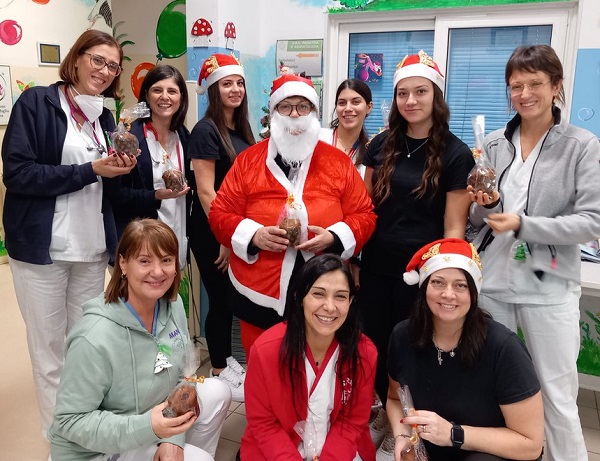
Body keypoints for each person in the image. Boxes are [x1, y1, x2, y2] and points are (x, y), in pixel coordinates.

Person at [1, 29, 136, 436]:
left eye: (113, 66)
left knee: (86, 347)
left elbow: (104, 186)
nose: (105, 71)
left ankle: (85, 430)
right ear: (76, 59)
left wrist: (118, 171)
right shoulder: (37, 103)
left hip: (90, 249)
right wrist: (89, 170)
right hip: (44, 250)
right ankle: (59, 440)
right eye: (98, 60)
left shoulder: (104, 118)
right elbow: (18, 173)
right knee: (50, 353)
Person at [468, 44, 600, 461]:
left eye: (535, 84)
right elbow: (476, 219)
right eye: (515, 86)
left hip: (549, 286)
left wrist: (525, 225)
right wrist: (485, 204)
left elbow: (592, 221)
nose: (524, 94)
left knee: (557, 398)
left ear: (556, 85)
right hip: (493, 284)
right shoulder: (493, 143)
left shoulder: (581, 145)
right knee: (495, 391)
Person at [208, 73, 376, 359]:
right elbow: (220, 213)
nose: (295, 115)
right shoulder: (248, 161)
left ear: (314, 113)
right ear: (274, 112)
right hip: (259, 288)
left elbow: (364, 214)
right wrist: (254, 235)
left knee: (318, 365)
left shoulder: (338, 162)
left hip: (323, 286)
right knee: (263, 364)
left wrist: (334, 237)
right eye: (286, 107)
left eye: (303, 106)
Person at [48, 219, 232, 461]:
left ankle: (177, 453)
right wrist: (149, 427)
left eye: (166, 260)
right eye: (145, 261)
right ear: (123, 263)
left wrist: (172, 439)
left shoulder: (173, 305)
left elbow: (182, 377)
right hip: (96, 450)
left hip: (149, 421)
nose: (158, 272)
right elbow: (69, 421)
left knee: (218, 391)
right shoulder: (93, 336)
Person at [359, 51, 474, 417]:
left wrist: (445, 279)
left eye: (420, 91)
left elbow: (454, 227)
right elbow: (364, 208)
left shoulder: (456, 154)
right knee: (374, 343)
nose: (410, 100)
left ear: (436, 95)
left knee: (412, 347)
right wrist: (354, 260)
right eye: (402, 93)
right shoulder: (381, 144)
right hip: (376, 267)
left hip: (421, 273)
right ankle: (381, 411)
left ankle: (409, 420)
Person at [384, 238, 543, 461]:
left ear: (474, 293)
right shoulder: (404, 336)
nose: (448, 294)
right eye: (438, 282)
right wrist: (403, 437)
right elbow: (394, 399)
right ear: (424, 286)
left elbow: (531, 444)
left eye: (461, 285)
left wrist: (453, 434)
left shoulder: (503, 348)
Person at [241, 253, 377, 461]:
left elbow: (352, 422)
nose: (330, 307)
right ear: (299, 297)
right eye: (318, 294)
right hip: (278, 452)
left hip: (338, 450)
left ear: (350, 301)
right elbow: (263, 424)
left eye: (340, 296)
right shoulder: (266, 350)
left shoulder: (364, 352)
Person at [188, 53, 256, 401]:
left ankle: (228, 360)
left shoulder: (241, 130)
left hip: (236, 231)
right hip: (213, 231)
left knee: (231, 299)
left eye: (239, 83)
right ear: (213, 90)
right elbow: (206, 191)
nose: (235, 89)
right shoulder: (206, 131)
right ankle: (218, 367)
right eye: (227, 84)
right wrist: (226, 237)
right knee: (220, 298)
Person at [106, 64, 191, 268]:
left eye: (172, 91)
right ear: (146, 95)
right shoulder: (130, 139)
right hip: (139, 244)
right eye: (157, 90)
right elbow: (114, 194)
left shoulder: (184, 137)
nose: (165, 97)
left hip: (176, 237)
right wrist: (155, 196)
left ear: (181, 97)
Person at [319, 78, 373, 178]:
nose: (348, 108)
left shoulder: (369, 153)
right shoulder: (319, 139)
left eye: (355, 102)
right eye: (342, 103)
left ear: (369, 107)